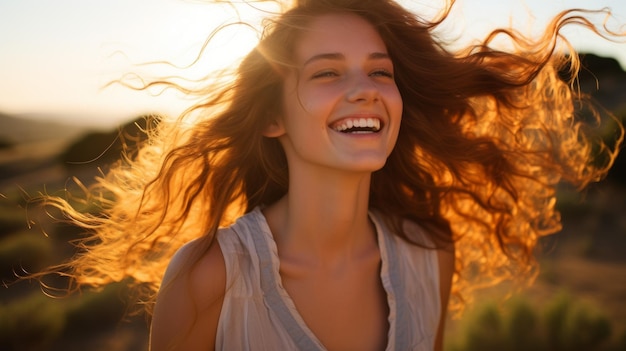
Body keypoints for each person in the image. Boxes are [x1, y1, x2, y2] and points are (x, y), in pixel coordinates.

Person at [35, 0, 623, 350]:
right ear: (271, 117)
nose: (364, 88)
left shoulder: (429, 250)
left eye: (380, 71)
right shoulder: (209, 275)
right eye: (326, 74)